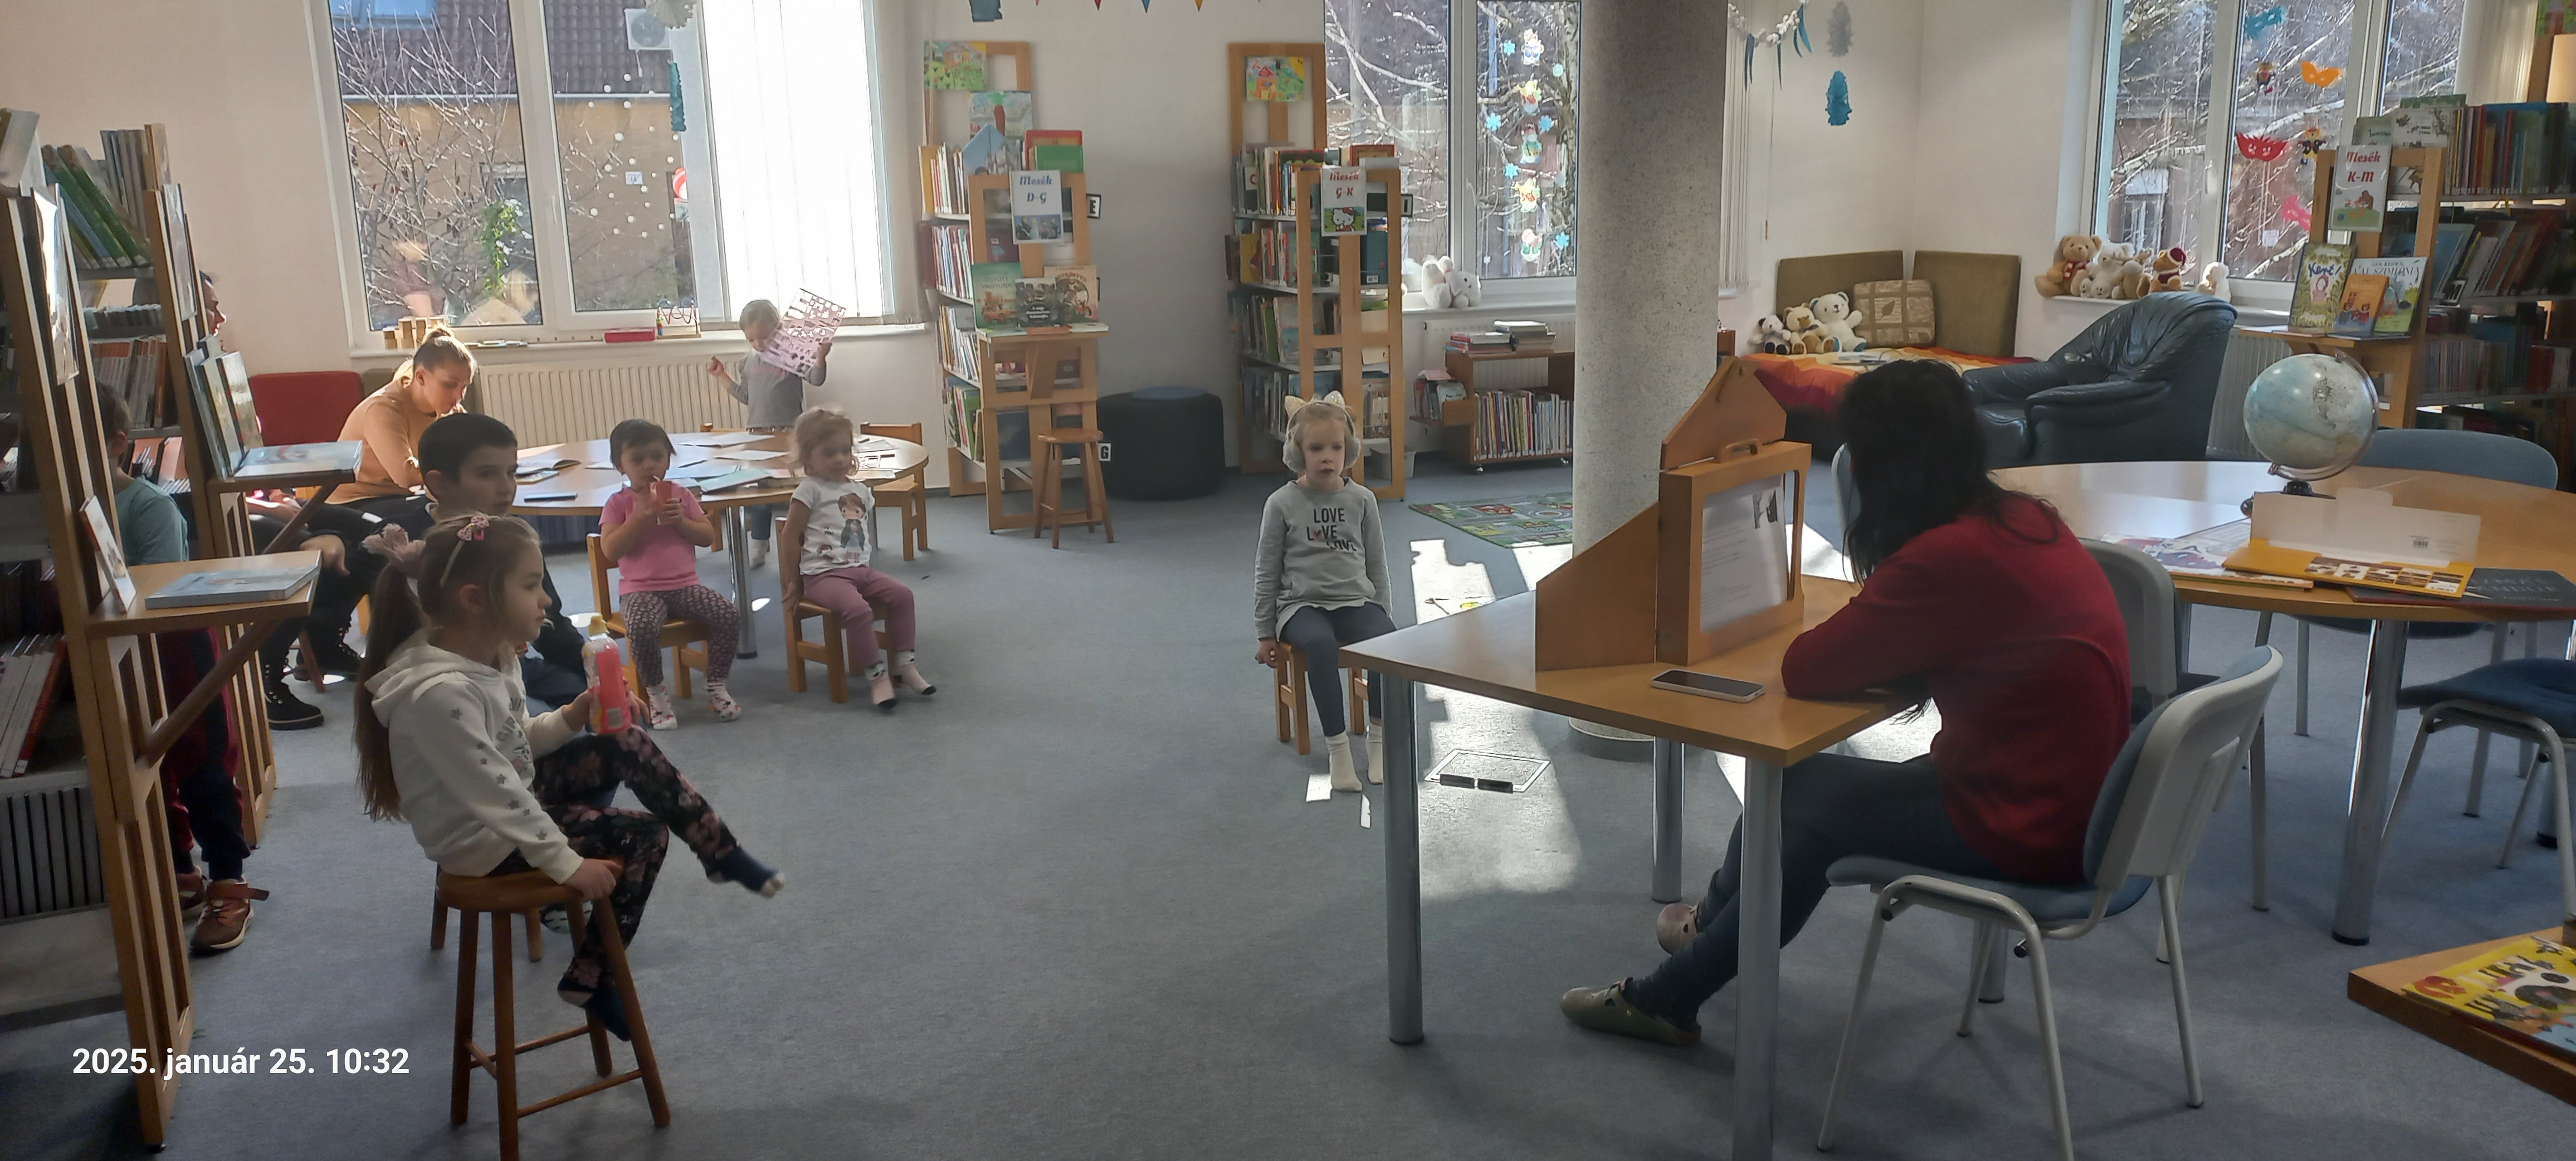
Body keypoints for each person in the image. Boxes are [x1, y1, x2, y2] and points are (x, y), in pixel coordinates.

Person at [1556, 361, 2133, 1046]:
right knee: (1800, 798)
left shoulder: (1946, 557)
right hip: (2087, 805)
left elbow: (1807, 669)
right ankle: (1708, 932)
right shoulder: (2021, 517)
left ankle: (1668, 994)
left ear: (1885, 467)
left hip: (2027, 826)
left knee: (1801, 806)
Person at [357, 514, 782, 1038]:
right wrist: (566, 865)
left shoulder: (492, 659)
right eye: (531, 586)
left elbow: (514, 744)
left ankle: (719, 850)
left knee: (623, 740)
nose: (547, 601)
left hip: (506, 805)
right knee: (644, 835)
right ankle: (592, 978)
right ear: (474, 600)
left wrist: (571, 717)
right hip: (481, 841)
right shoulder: (440, 694)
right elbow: (497, 794)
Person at [103, 394, 266, 953]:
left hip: (175, 648)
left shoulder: (147, 507)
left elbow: (161, 601)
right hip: (115, 658)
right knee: (146, 766)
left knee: (201, 761)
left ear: (117, 445)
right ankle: (180, 869)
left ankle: (228, 878)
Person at [367, 412, 589, 709]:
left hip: (510, 666)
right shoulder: (404, 542)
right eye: (486, 474)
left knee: (590, 702)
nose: (506, 487)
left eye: (511, 472)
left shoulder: (513, 537)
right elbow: (395, 637)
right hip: (438, 680)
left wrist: (593, 673)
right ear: (440, 483)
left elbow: (550, 623)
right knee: (525, 721)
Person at [1251, 394, 1392, 793]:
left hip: (1355, 601)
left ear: (1350, 450)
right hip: (1301, 606)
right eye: (1316, 449)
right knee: (1320, 645)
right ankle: (1339, 750)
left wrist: (1382, 612)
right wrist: (1265, 632)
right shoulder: (1281, 503)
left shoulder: (1362, 500)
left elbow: (1377, 563)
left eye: (1336, 447)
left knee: (1389, 644)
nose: (1327, 457)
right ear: (1297, 453)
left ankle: (1379, 744)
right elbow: (1266, 570)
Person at [780, 407, 931, 710]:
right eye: (829, 453)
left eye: (845, 450)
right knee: (858, 610)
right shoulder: (809, 489)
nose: (840, 459)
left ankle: (904, 665)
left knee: (903, 596)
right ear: (808, 457)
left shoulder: (860, 489)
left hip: (860, 570)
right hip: (822, 576)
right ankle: (877, 676)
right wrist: (794, 582)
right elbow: (789, 536)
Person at [597, 419, 740, 728]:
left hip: (685, 585)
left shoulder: (681, 495)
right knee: (642, 629)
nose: (649, 465)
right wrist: (637, 519)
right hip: (640, 590)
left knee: (727, 615)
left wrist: (681, 521)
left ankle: (716, 685)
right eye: (637, 459)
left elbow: (707, 537)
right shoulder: (618, 503)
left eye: (657, 456)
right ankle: (657, 696)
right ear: (620, 466)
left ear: (668, 460)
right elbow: (610, 550)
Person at [706, 299, 831, 569]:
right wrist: (721, 376)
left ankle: (807, 543)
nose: (759, 344)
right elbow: (746, 397)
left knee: (799, 491)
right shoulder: (748, 363)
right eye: (752, 340)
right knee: (759, 494)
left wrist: (820, 357)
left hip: (790, 435)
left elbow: (816, 379)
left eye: (765, 337)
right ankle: (759, 544)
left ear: (779, 330)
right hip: (758, 437)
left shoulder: (791, 357)